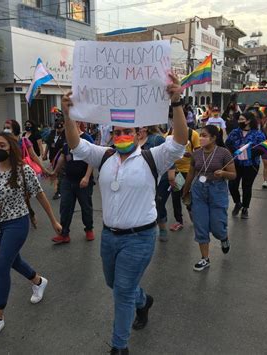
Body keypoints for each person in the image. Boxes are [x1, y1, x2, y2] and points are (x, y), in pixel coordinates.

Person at [62, 73, 188, 354]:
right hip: (110, 237)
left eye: (126, 132)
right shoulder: (103, 156)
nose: (121, 136)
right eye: (116, 132)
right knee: (114, 283)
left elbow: (180, 141)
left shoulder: (151, 157)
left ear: (139, 133)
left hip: (140, 238)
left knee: (121, 292)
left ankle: (119, 347)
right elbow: (75, 144)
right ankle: (143, 301)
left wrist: (176, 102)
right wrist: (68, 115)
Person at [0, 131, 61, 340]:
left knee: (2, 264)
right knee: (13, 261)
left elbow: (40, 195)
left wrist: (53, 221)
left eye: (2, 145)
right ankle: (38, 281)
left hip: (17, 223)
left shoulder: (23, 171)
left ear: (12, 149)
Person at [182, 125, 236, 271]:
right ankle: (205, 258)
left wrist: (223, 174)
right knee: (201, 226)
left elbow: (233, 175)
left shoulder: (224, 153)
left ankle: (223, 237)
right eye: (200, 135)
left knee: (218, 226)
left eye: (204, 135)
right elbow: (191, 174)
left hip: (217, 191)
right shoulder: (196, 154)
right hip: (198, 191)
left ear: (213, 137)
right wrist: (185, 191)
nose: (201, 138)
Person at [51, 122, 94, 244]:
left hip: (83, 181)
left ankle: (89, 229)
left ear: (78, 123)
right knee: (65, 207)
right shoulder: (66, 139)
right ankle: (64, 234)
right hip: (68, 180)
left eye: (71, 123)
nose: (67, 126)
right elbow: (63, 157)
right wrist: (54, 172)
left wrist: (86, 177)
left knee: (86, 207)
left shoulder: (87, 138)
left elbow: (92, 158)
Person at [225, 112, 266, 219]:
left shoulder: (258, 134)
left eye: (242, 119)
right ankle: (237, 203)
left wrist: (251, 153)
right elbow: (227, 144)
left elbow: (263, 149)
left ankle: (245, 208)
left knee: (246, 187)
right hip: (236, 164)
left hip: (251, 165)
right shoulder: (234, 132)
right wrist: (233, 151)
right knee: (232, 185)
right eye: (239, 119)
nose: (239, 121)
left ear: (248, 121)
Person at [138, 126, 174, 241]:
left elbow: (169, 155)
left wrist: (171, 175)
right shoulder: (132, 139)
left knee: (158, 203)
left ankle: (162, 227)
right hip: (141, 179)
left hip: (161, 179)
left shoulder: (156, 139)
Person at [166, 125, 200, 231]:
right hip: (173, 170)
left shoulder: (193, 134)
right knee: (176, 195)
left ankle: (192, 212)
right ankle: (179, 221)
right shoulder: (169, 133)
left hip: (187, 171)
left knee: (185, 194)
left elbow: (199, 153)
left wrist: (191, 154)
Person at [43, 120, 66, 200]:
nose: (59, 130)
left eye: (60, 128)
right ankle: (59, 189)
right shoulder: (52, 133)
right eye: (57, 128)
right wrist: (45, 154)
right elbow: (48, 144)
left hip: (62, 158)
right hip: (53, 157)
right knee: (56, 174)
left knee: (60, 174)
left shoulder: (66, 133)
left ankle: (59, 191)